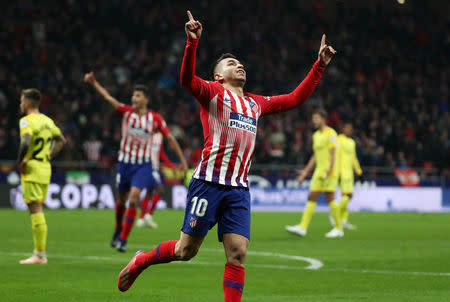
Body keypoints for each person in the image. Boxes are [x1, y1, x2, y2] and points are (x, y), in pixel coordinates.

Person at [117, 10, 336, 301]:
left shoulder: (256, 103)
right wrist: (192, 43)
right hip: (208, 183)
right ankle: (142, 260)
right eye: (232, 63)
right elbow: (186, 80)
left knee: (238, 253)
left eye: (241, 62)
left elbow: (295, 99)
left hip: (238, 189)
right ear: (219, 75)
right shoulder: (213, 93)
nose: (240, 65)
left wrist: (319, 66)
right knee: (186, 251)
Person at [83, 73, 187, 252]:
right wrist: (94, 83)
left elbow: (170, 139)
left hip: (143, 165)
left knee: (133, 199)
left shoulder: (155, 118)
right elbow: (108, 98)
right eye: (133, 95)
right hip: (124, 163)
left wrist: (183, 162)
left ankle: (123, 239)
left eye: (138, 95)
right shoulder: (127, 113)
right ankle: (117, 229)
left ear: (146, 99)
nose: (134, 98)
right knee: (122, 200)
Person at [17, 88, 66, 264]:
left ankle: (39, 254)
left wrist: (21, 160)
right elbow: (62, 140)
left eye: (22, 101)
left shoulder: (26, 121)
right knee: (38, 208)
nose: (21, 104)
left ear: (28, 103)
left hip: (31, 168)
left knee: (35, 209)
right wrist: (50, 155)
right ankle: (39, 253)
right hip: (45, 167)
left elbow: (26, 141)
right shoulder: (47, 121)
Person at [285, 109, 343, 238]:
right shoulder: (316, 135)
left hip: (330, 171)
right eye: (313, 118)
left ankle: (339, 228)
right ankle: (302, 228)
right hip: (319, 171)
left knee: (330, 198)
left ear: (323, 119)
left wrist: (330, 170)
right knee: (311, 196)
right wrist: (305, 172)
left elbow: (333, 153)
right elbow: (315, 156)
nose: (314, 121)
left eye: (316, 118)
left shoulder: (331, 133)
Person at [137, 132, 174, 228]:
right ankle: (146, 216)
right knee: (160, 189)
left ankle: (143, 218)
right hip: (147, 166)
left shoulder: (159, 136)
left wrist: (169, 164)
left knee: (149, 192)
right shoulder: (146, 133)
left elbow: (160, 152)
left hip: (155, 167)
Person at [332, 122, 362, 230]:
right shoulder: (339, 139)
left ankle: (343, 221)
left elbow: (353, 158)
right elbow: (336, 155)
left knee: (346, 196)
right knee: (349, 195)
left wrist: (359, 171)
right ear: (343, 129)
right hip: (342, 171)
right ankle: (335, 213)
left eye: (350, 129)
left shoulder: (352, 142)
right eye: (347, 128)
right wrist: (337, 171)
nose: (349, 130)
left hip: (350, 173)